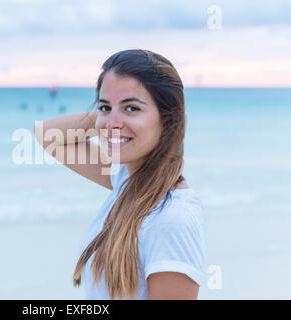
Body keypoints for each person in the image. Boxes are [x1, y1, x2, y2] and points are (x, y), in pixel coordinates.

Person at [34, 49, 205, 300]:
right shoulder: (128, 180)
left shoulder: (171, 218)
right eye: (104, 106)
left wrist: (113, 117)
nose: (113, 121)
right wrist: (110, 118)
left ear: (169, 119)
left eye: (132, 108)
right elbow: (47, 134)